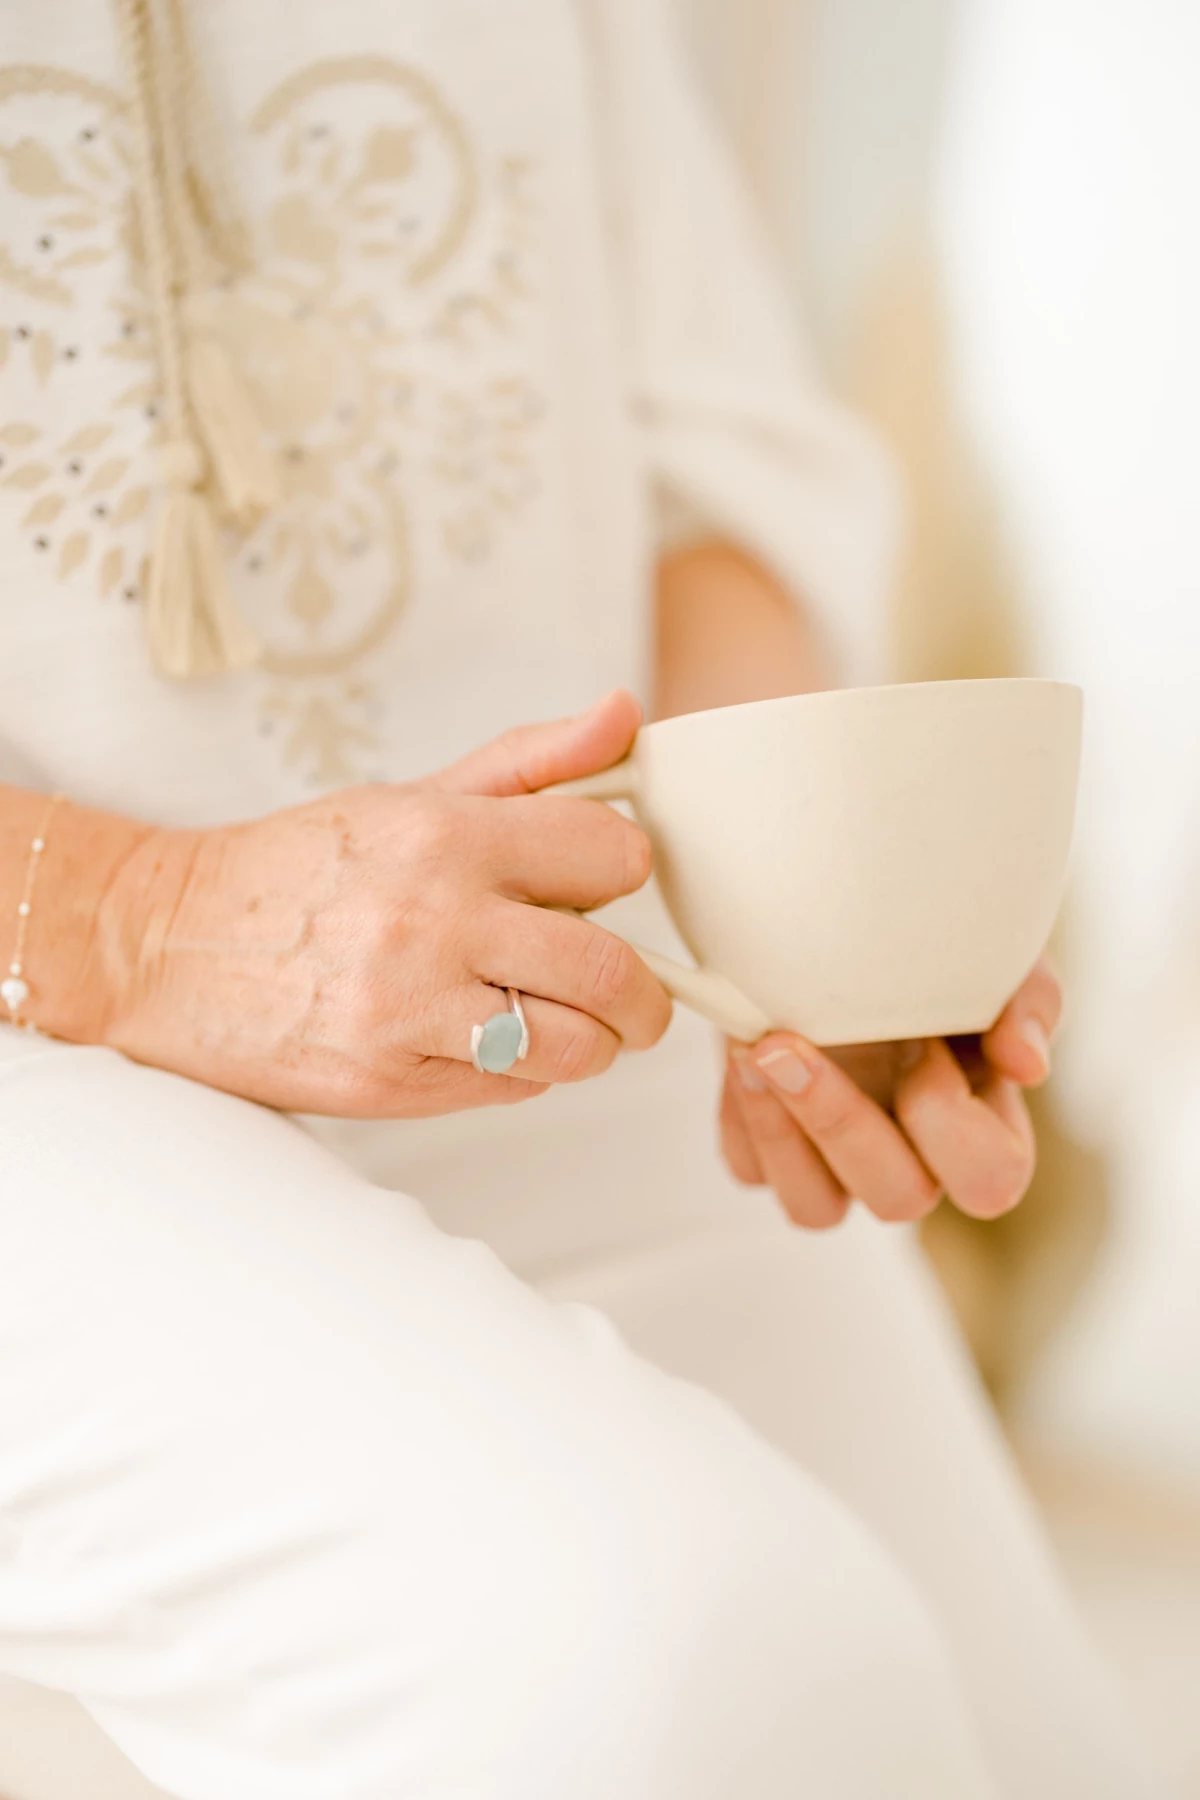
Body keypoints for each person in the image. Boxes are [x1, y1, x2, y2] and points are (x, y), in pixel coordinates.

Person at [0, 2, 1161, 1795]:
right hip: (40, 1053)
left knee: (1035, 1755)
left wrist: (804, 911)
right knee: (707, 1686)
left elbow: (707, 453)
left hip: (561, 1002)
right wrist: (132, 919)